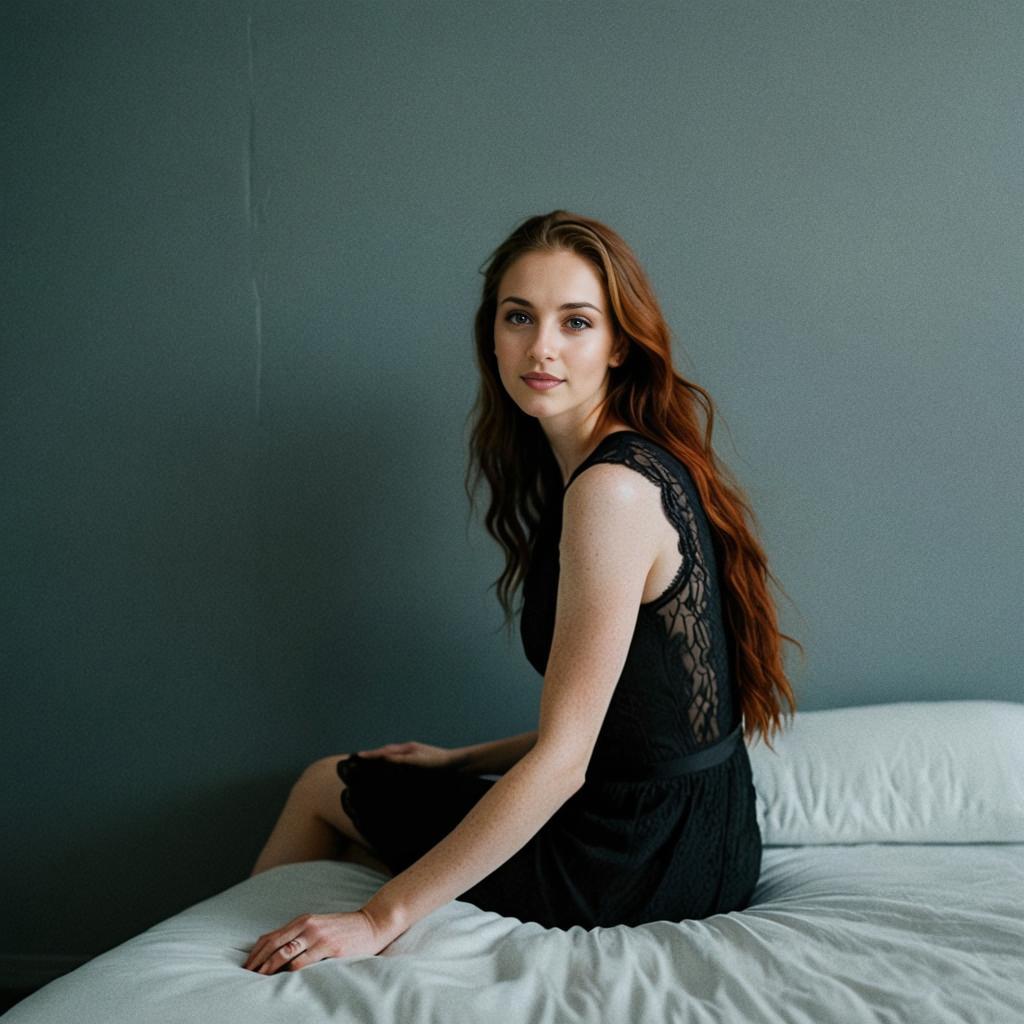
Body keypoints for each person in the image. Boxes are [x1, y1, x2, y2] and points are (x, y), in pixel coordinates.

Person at [243, 210, 802, 975]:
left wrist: (378, 920)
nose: (541, 346)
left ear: (618, 345)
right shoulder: (630, 464)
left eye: (576, 322)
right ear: (493, 335)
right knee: (376, 809)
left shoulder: (610, 492)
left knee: (322, 785)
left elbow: (568, 761)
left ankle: (231, 991)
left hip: (635, 861)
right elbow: (640, 713)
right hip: (708, 834)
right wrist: (462, 759)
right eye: (519, 317)